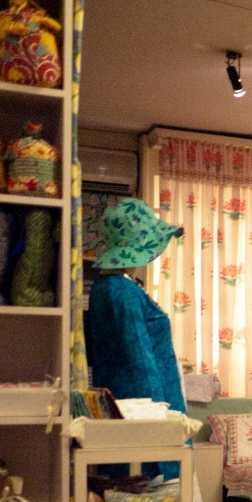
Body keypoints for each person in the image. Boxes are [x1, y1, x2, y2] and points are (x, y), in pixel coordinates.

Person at [84, 198, 185, 476]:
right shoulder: (123, 292)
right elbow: (139, 361)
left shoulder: (107, 287)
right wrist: (161, 420)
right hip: (143, 408)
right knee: (152, 490)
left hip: (127, 404)